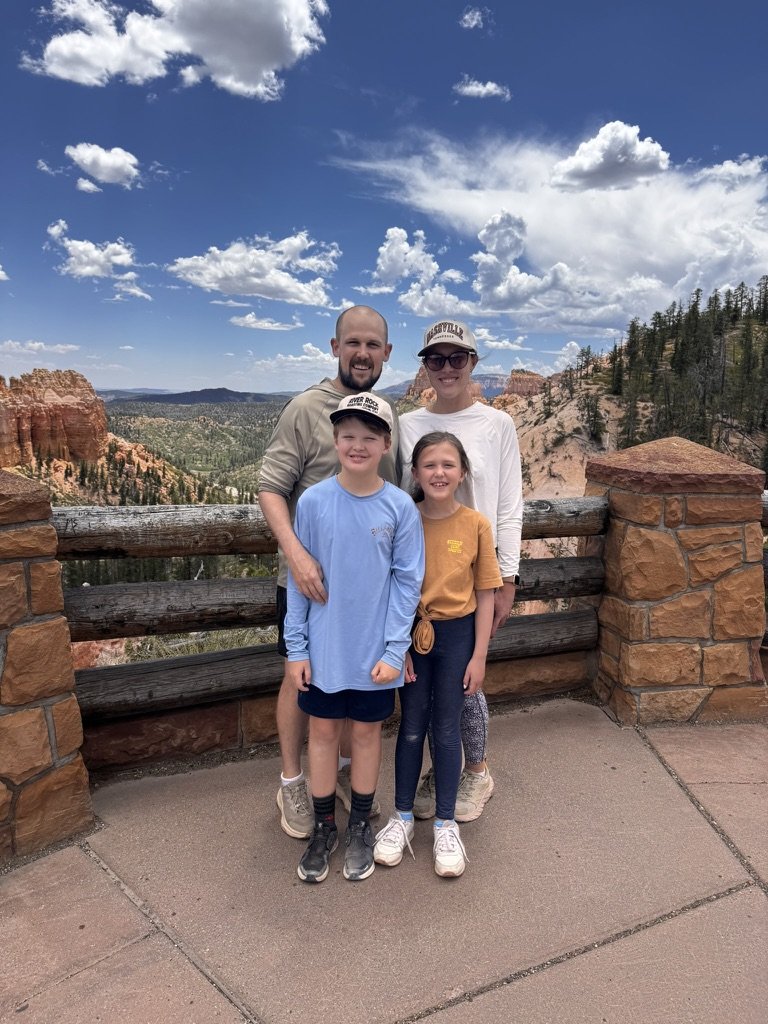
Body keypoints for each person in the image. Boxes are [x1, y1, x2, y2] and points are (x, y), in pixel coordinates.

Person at [257, 306, 398, 840]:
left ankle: (338, 778)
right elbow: (271, 487)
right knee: (302, 678)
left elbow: (398, 494)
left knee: (354, 681)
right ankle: (292, 781)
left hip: (366, 589)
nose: (362, 353)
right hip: (308, 581)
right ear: (335, 345)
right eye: (353, 343)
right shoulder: (304, 409)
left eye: (373, 345)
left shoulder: (388, 414)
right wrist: (295, 552)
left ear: (386, 353)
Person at [284, 393, 424, 882]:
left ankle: (360, 822)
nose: (357, 445)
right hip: (324, 650)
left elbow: (407, 583)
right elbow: (299, 579)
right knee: (321, 735)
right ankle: (326, 826)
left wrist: (394, 648)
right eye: (348, 435)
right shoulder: (315, 502)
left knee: (365, 736)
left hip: (373, 653)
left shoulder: (399, 508)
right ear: (335, 439)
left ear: (386, 444)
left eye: (369, 437)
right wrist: (296, 649)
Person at [398, 320, 523, 822]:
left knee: (467, 680)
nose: (447, 368)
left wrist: (508, 577)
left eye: (457, 358)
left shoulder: (499, 426)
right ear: (425, 365)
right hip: (422, 582)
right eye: (436, 359)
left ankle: (477, 772)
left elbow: (511, 504)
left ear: (473, 362)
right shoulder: (408, 426)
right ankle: (444, 772)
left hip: (478, 574)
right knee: (430, 683)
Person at [374, 431, 501, 876]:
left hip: (457, 636)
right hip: (411, 634)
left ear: (462, 472)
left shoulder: (476, 525)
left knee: (447, 728)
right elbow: (389, 586)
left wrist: (479, 654)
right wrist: (396, 645)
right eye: (429, 465)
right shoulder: (403, 518)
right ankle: (403, 815)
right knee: (410, 726)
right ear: (414, 472)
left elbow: (486, 594)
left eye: (448, 464)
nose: (439, 473)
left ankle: (446, 822)